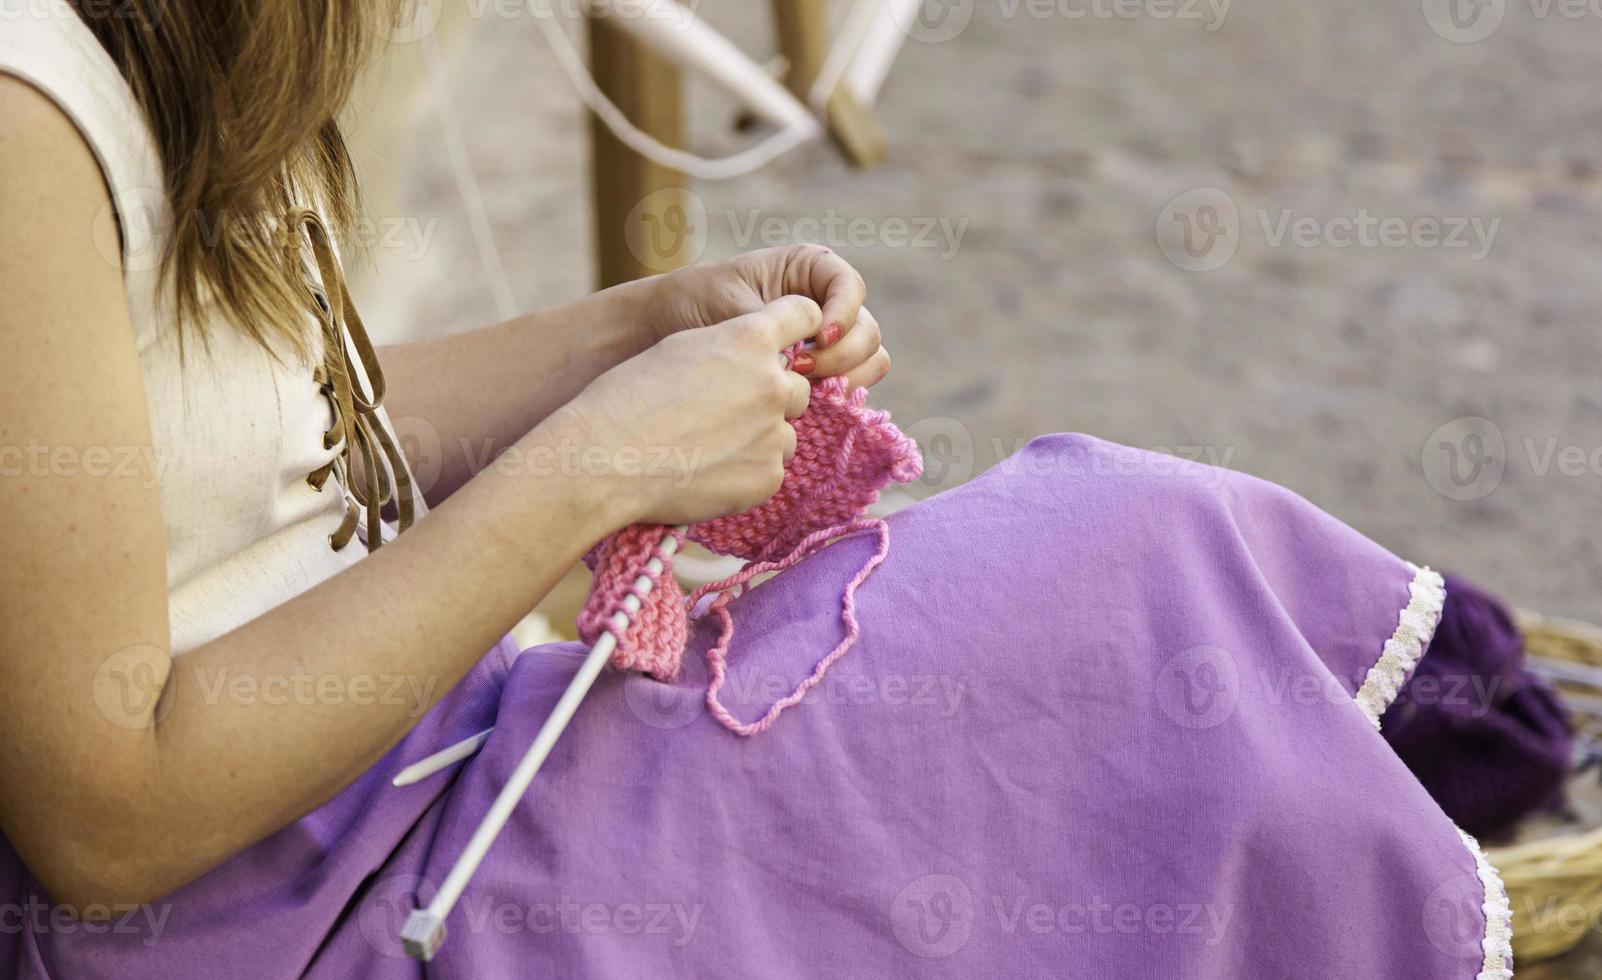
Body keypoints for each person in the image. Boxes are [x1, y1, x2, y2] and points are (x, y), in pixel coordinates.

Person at [0, 3, 1512, 977]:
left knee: (1136, 559)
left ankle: (1422, 789)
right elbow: (110, 824)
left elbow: (254, 431)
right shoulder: (24, 118)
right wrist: (598, 468)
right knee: (1125, 580)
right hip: (298, 918)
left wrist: (625, 333)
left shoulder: (168, 42)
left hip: (396, 781)